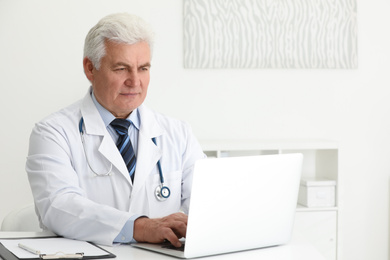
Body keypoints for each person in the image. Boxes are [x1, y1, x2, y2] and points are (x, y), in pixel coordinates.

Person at [26, 13, 205, 247]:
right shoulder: (52, 133)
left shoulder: (178, 134)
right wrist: (139, 227)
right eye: (121, 68)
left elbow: (207, 204)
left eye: (143, 68)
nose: (134, 81)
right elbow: (58, 206)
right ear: (90, 68)